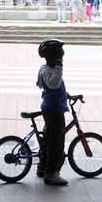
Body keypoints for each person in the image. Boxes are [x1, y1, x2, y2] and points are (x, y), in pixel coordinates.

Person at [35, 37, 69, 186]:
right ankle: (51, 174)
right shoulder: (52, 71)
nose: (62, 56)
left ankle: (42, 168)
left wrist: (67, 95)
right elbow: (54, 84)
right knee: (56, 144)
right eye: (60, 54)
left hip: (50, 107)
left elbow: (50, 87)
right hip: (54, 110)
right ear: (54, 55)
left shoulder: (44, 69)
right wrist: (59, 65)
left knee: (48, 141)